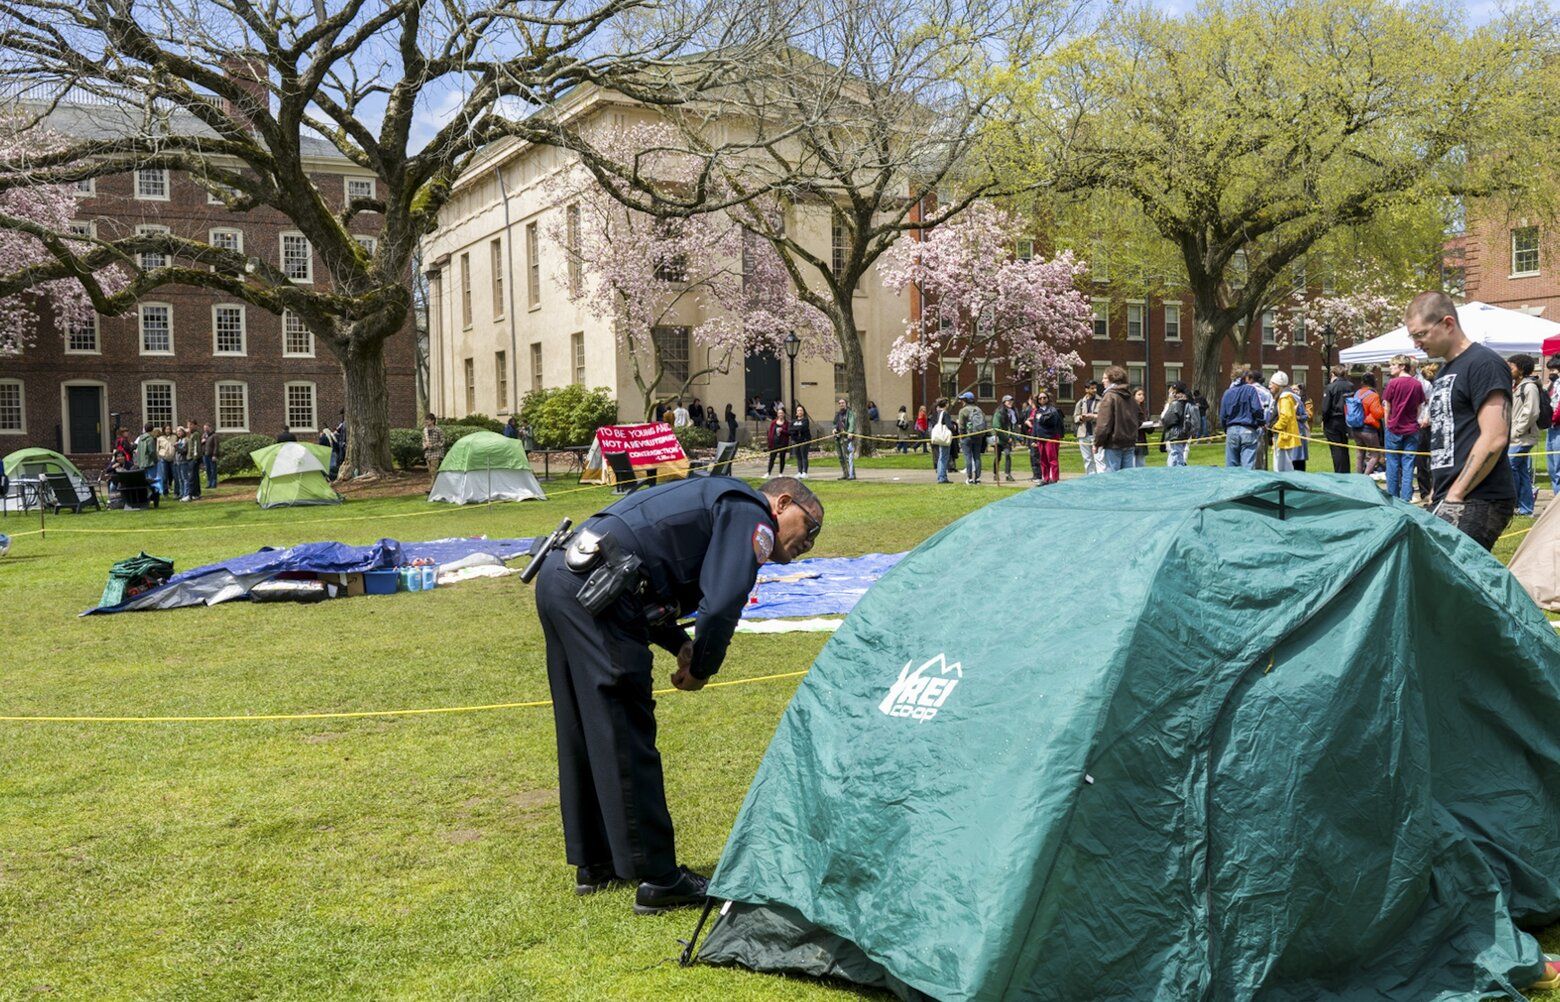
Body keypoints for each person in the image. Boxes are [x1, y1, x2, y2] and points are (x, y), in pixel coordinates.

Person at [532, 475, 824, 913]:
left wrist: (678, 644)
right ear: (782, 503)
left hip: (564, 576)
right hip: (600, 589)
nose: (810, 543)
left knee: (584, 723)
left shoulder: (715, 499)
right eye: (810, 528)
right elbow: (723, 601)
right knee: (624, 727)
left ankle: (596, 861)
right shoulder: (751, 514)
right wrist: (703, 666)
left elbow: (650, 570)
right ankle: (661, 878)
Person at [1409, 291, 1514, 550]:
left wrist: (1456, 493)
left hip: (1479, 498)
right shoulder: (1445, 370)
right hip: (1450, 496)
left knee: (1449, 582)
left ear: (1448, 323)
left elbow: (1495, 437)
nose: (1416, 344)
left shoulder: (1484, 363)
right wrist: (1439, 491)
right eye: (1413, 337)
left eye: (1420, 334)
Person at [1380, 354, 1427, 502]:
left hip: (1394, 428)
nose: (1390, 368)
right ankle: (1406, 498)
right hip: (1412, 429)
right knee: (1408, 465)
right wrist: (1414, 420)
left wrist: (1387, 424)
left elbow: (1387, 406)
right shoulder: (1417, 384)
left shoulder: (1392, 384)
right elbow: (1420, 407)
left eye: (1393, 365)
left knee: (1392, 464)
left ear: (1402, 366)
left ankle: (1393, 497)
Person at [1507, 353, 1542, 517]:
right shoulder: (1517, 386)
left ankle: (1513, 504)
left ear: (1520, 369)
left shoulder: (1529, 387)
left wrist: (1517, 431)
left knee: (1510, 466)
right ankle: (1526, 508)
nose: (1509, 369)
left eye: (1511, 366)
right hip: (1516, 436)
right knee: (1521, 472)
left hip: (1522, 437)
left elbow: (1532, 412)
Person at [1093, 368, 1141, 472]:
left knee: (1113, 480)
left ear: (1112, 380)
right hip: (1129, 443)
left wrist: (1097, 443)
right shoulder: (1130, 397)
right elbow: (1140, 418)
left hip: (1113, 445)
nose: (1102, 381)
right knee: (1127, 479)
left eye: (1105, 378)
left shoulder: (1109, 396)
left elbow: (1103, 424)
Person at [1220, 371, 1266, 469]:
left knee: (1231, 467)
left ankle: (1233, 484)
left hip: (1231, 430)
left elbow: (1223, 415)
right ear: (1245, 378)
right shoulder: (1251, 390)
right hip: (1248, 429)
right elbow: (1257, 409)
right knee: (1248, 467)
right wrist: (1261, 422)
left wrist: (1225, 429)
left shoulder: (1227, 393)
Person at [1321, 366, 1356, 474]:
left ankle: (1339, 472)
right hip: (1346, 420)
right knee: (1344, 448)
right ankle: (1346, 471)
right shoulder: (1350, 386)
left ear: (1333, 374)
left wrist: (1324, 420)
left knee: (1336, 449)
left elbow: (1325, 408)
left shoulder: (1330, 387)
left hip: (1333, 421)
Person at [1349, 374, 1384, 476]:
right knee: (1375, 455)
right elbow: (1378, 413)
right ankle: (1365, 477)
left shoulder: (1357, 393)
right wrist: (1384, 409)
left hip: (1356, 428)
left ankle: (1358, 477)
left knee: (1360, 454)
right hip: (1368, 429)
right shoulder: (1373, 395)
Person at [1269, 372, 1304, 472]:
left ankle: (1284, 486)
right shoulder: (1284, 396)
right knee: (1283, 465)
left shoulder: (1284, 397)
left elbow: (1285, 416)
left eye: (1272, 383)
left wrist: (1275, 427)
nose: (1269, 386)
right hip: (1284, 436)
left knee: (1282, 467)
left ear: (1278, 385)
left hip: (1284, 436)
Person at [1028, 390, 1063, 484]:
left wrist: (1041, 418)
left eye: (1044, 397)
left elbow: (1052, 422)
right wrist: (1034, 439)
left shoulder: (1052, 410)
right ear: (1037, 400)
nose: (1042, 399)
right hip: (1040, 438)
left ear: (1048, 399)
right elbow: (1035, 426)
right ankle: (1046, 478)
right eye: (1040, 398)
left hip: (1051, 437)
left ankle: (1054, 478)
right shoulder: (1037, 412)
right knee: (1043, 459)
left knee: (1052, 459)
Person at [1160, 382, 1197, 467]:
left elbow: (1165, 419)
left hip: (1176, 435)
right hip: (1185, 434)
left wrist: (1170, 404)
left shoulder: (1176, 404)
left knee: (1175, 457)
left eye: (1172, 392)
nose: (1170, 395)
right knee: (1181, 456)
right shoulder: (1189, 403)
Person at [956, 391, 987, 484]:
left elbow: (961, 426)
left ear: (965, 400)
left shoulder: (963, 411)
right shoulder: (979, 410)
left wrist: (961, 436)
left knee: (968, 457)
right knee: (977, 457)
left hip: (967, 436)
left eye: (962, 400)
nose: (961, 401)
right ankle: (977, 478)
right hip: (978, 436)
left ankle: (969, 478)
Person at [1073, 381, 1102, 474]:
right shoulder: (1081, 402)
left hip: (1095, 434)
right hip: (1083, 434)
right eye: (1092, 388)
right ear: (1086, 389)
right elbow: (1075, 417)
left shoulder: (1101, 401)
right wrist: (1081, 418)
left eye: (1095, 388)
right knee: (1087, 459)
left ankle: (1099, 479)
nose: (1095, 390)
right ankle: (1090, 478)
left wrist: (1092, 417)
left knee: (1098, 458)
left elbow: (1104, 417)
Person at [991, 394, 1020, 482]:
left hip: (1008, 440)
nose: (1010, 402)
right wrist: (1007, 438)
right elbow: (997, 427)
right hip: (999, 439)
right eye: (1008, 401)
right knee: (998, 457)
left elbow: (1012, 427)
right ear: (1004, 402)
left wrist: (1013, 438)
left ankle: (1008, 474)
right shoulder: (998, 413)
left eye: (1011, 401)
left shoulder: (1013, 412)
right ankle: (995, 474)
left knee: (1008, 455)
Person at [930, 398, 956, 483]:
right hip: (944, 437)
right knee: (944, 457)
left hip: (940, 437)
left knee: (941, 457)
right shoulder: (945, 413)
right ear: (946, 405)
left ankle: (941, 476)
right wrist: (954, 427)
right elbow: (949, 425)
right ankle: (942, 477)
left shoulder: (938, 413)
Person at [833, 398, 856, 480]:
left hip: (847, 438)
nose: (841, 404)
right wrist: (834, 429)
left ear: (846, 403)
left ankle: (851, 474)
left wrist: (850, 432)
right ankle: (845, 474)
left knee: (847, 457)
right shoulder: (838, 414)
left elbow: (852, 423)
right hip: (838, 437)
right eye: (839, 403)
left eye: (842, 403)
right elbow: (835, 423)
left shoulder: (850, 413)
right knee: (840, 457)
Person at [1547, 358, 1560, 499]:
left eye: (1554, 369)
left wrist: (1552, 419)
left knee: (1558, 468)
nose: (1552, 372)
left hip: (1557, 426)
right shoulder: (1555, 383)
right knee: (1552, 467)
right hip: (1552, 427)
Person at [1131, 387, 1153, 468]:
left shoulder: (1145, 410)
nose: (1141, 396)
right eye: (1139, 394)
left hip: (1142, 440)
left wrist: (1151, 425)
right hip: (1132, 440)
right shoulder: (1130, 409)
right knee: (1132, 465)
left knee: (1141, 465)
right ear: (1133, 396)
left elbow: (1149, 430)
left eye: (1142, 394)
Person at [765, 409, 790, 474]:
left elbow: (789, 433)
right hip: (774, 443)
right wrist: (770, 443)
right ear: (777, 414)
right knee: (772, 458)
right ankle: (768, 472)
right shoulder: (773, 422)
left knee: (782, 458)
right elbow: (770, 433)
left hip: (783, 443)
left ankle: (780, 473)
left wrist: (782, 430)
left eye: (782, 413)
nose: (780, 414)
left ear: (784, 414)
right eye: (779, 413)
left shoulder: (787, 423)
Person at [790, 404, 812, 478]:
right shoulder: (793, 421)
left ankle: (805, 472)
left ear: (803, 412)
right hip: (796, 441)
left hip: (804, 440)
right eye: (798, 410)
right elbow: (790, 429)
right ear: (796, 412)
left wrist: (795, 428)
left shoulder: (805, 420)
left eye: (801, 410)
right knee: (798, 456)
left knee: (804, 455)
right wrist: (796, 429)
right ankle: (799, 471)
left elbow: (803, 428)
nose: (799, 412)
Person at [155, 425, 177, 495]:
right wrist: (159, 457)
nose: (168, 430)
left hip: (173, 458)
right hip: (163, 458)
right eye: (166, 429)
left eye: (169, 429)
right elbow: (157, 449)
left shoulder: (174, 437)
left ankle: (176, 491)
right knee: (164, 476)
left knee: (174, 475)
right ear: (164, 430)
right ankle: (165, 492)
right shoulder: (160, 438)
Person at [201, 424, 218, 489]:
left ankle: (214, 483)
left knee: (213, 469)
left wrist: (214, 455)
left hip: (211, 455)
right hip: (205, 454)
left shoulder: (214, 435)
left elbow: (216, 446)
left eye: (206, 428)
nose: (205, 429)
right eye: (204, 428)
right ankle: (209, 483)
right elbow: (201, 444)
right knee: (207, 469)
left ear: (210, 428)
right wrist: (202, 442)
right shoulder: (204, 435)